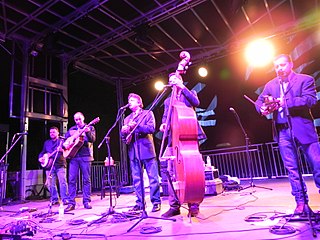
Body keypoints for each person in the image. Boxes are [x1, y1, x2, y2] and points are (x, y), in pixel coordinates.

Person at [255, 54, 320, 215]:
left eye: (282, 65)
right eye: (276, 66)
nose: (279, 69)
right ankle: (301, 203)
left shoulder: (305, 80)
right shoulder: (270, 85)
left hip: (304, 130)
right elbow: (259, 101)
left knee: (318, 165)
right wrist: (262, 109)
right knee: (292, 170)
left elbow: (310, 100)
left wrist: (286, 102)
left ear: (291, 64)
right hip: (283, 131)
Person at [159, 73, 206, 218]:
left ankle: (193, 204)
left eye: (175, 80)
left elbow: (196, 102)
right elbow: (165, 116)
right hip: (172, 140)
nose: (173, 83)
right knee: (170, 172)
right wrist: (163, 124)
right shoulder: (168, 101)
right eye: (171, 81)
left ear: (179, 81)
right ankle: (174, 206)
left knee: (192, 170)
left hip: (188, 137)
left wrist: (182, 87)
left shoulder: (189, 93)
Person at [120, 93, 161, 212]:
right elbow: (124, 138)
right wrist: (123, 132)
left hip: (147, 150)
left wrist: (136, 127)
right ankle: (140, 203)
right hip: (133, 151)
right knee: (137, 179)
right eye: (129, 100)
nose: (129, 102)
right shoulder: (127, 118)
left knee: (153, 178)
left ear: (139, 102)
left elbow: (151, 128)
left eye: (132, 100)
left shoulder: (148, 113)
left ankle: (156, 202)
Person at [64, 112, 96, 212]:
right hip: (73, 157)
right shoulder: (71, 130)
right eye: (76, 119)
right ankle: (71, 203)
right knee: (72, 180)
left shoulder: (89, 127)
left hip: (85, 157)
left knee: (86, 180)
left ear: (83, 118)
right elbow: (65, 141)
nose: (78, 121)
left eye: (79, 119)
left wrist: (87, 132)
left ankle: (86, 201)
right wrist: (66, 144)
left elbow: (93, 139)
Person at [38, 126, 69, 205]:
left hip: (60, 164)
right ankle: (55, 199)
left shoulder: (62, 141)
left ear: (58, 133)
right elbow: (43, 152)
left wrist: (62, 150)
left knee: (63, 182)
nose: (51, 134)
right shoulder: (47, 142)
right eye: (50, 132)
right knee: (51, 184)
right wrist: (40, 158)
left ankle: (65, 199)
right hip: (49, 166)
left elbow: (67, 150)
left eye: (53, 132)